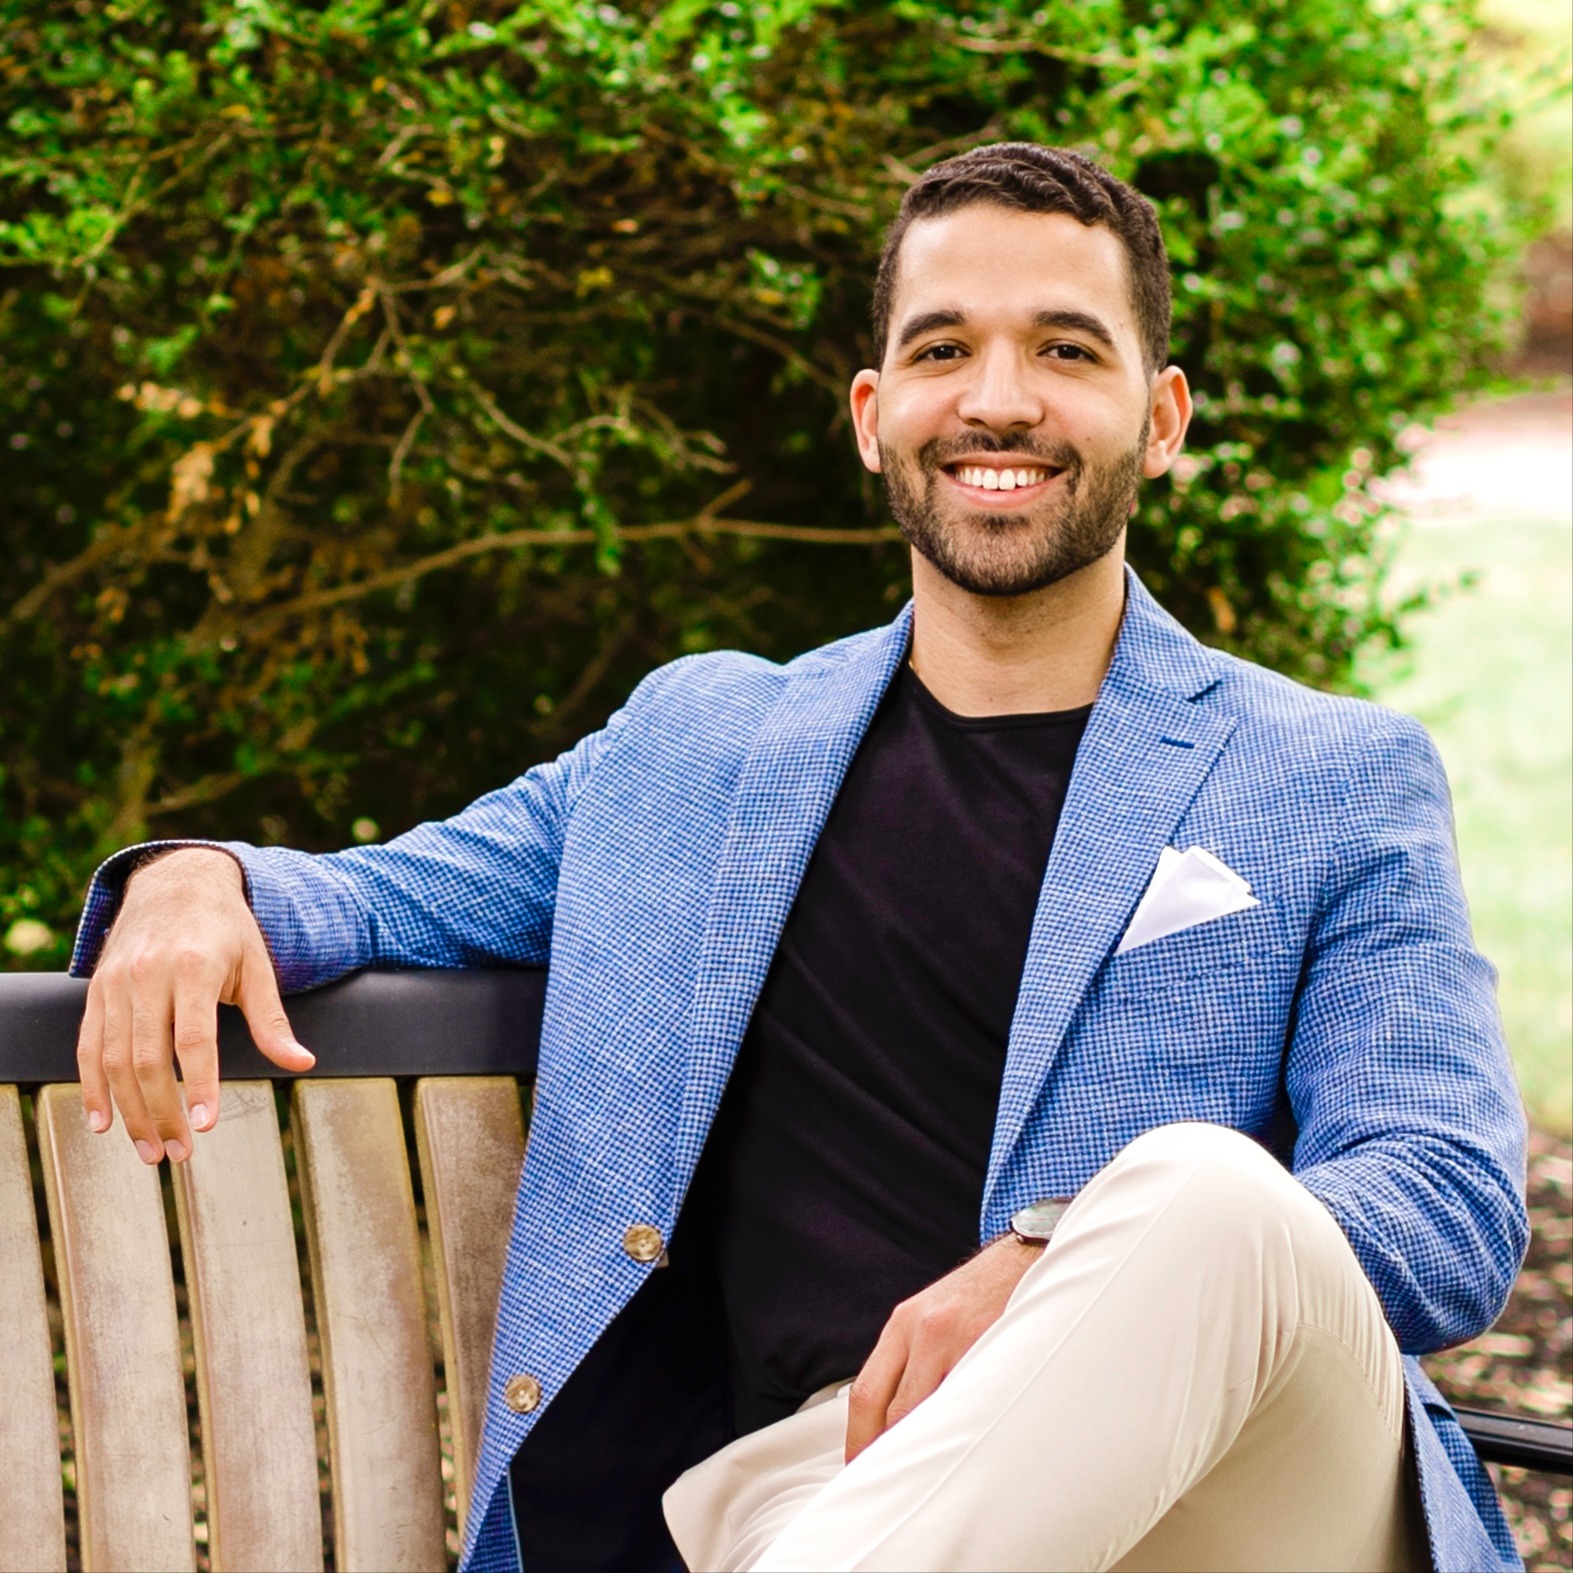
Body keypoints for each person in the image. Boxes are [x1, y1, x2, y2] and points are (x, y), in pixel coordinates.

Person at [69, 144, 1527, 1573]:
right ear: (872, 410)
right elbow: (396, 889)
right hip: (818, 1491)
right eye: (945, 347)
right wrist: (200, 878)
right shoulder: (695, 743)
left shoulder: (1329, 775)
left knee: (1200, 1192)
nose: (998, 399)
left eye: (1065, 350)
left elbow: (1447, 1200)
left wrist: (1061, 1266)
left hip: (1239, 1486)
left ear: (1159, 418)